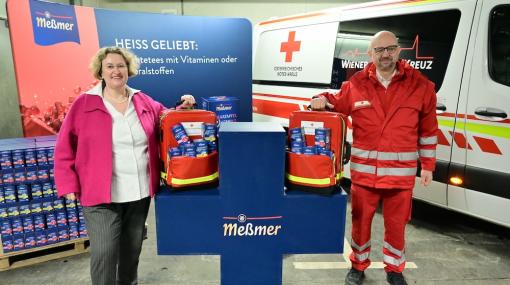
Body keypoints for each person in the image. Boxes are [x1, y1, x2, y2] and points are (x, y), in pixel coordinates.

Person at [54, 46, 195, 285]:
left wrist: (184, 107)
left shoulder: (141, 99)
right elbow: (64, 145)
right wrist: (67, 183)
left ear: (128, 70)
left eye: (121, 66)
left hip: (137, 191)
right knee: (105, 253)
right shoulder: (84, 103)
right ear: (100, 71)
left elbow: (165, 118)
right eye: (110, 66)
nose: (116, 71)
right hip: (99, 195)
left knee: (131, 252)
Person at [311, 31, 438, 285]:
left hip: (400, 178)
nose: (385, 54)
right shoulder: (356, 84)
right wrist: (320, 99)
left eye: (390, 48)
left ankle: (394, 269)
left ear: (399, 51)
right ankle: (358, 265)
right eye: (379, 50)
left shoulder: (420, 86)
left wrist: (428, 166)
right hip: (365, 175)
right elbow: (334, 102)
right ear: (370, 54)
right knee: (360, 223)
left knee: (397, 225)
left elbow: (428, 130)